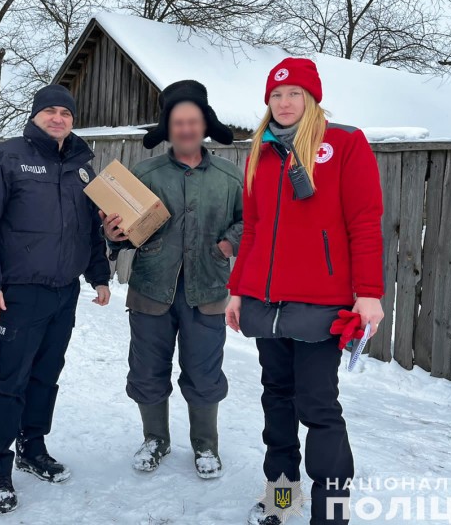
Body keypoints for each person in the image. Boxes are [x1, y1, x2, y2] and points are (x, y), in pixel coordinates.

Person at [224, 58, 384, 525]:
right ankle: (281, 495)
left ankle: (331, 511)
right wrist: (237, 290)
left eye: (294, 93)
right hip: (266, 305)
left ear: (312, 98)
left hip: (321, 305)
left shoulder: (345, 143)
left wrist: (369, 292)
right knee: (276, 400)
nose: (284, 102)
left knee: (317, 406)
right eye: (276, 95)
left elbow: (364, 222)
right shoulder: (260, 151)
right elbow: (251, 229)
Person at [0, 83, 111, 513]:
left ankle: (32, 447)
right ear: (35, 116)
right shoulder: (6, 157)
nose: (58, 119)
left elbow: (90, 229)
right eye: (49, 111)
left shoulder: (83, 166)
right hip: (19, 294)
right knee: (10, 379)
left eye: (65, 113)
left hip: (62, 292)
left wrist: (99, 277)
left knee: (47, 375)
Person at [102, 80, 243, 479]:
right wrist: (113, 235)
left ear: (204, 125)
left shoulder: (230, 178)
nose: (186, 129)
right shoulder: (143, 174)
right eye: (178, 122)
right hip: (151, 289)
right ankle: (155, 438)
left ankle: (205, 445)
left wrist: (228, 245)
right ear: (169, 127)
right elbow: (123, 231)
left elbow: (250, 221)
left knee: (204, 372)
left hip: (208, 291)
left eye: (193, 121)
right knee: (147, 370)